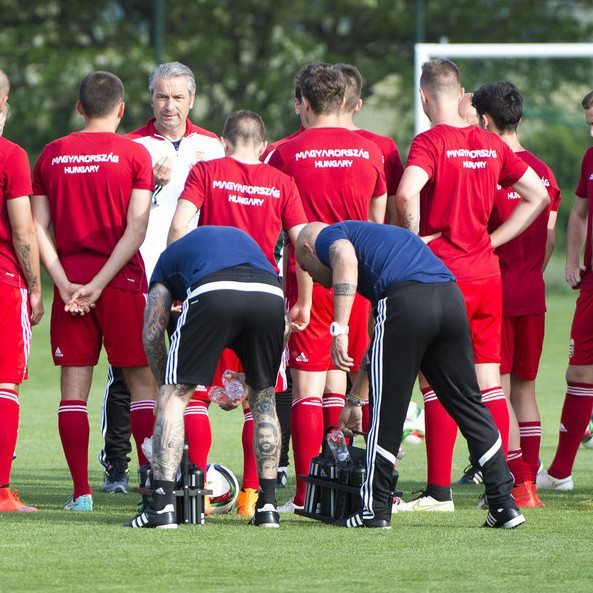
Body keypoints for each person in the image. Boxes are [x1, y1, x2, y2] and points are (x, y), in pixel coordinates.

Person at [295, 221, 524, 529]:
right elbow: (379, 343)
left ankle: (374, 510)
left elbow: (344, 258)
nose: (311, 277)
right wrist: (354, 399)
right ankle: (504, 505)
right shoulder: (381, 248)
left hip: (407, 302)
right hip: (450, 299)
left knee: (386, 413)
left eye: (305, 267)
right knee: (469, 406)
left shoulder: (327, 237)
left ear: (309, 250)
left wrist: (339, 329)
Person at [395, 59, 549, 512]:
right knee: (489, 383)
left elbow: (406, 193)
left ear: (425, 97)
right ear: (459, 91)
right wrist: (492, 239)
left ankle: (439, 491)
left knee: (436, 382)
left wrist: (413, 242)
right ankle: (500, 489)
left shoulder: (429, 141)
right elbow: (537, 196)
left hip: (443, 275)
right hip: (486, 275)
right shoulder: (488, 142)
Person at [167, 109, 307, 516]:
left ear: (225, 144)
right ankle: (252, 497)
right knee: (259, 399)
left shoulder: (206, 171)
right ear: (263, 147)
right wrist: (304, 300)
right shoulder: (282, 182)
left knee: (192, 393)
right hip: (264, 296)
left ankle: (195, 490)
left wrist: (179, 285)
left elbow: (178, 227)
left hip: (213, 291)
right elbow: (301, 245)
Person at [31, 71, 157, 511]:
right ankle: (151, 488)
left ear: (79, 107)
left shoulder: (52, 154)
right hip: (119, 280)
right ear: (121, 109)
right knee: (142, 384)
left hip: (70, 285)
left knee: (73, 390)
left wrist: (63, 281)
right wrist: (101, 283)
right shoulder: (134, 154)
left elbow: (36, 228)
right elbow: (137, 228)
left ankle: (81, 493)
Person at [99, 62, 225, 494]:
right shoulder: (130, 145)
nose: (168, 106)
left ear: (191, 99)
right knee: (130, 374)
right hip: (141, 273)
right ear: (149, 99)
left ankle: (182, 466)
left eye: (176, 97)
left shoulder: (212, 146)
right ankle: (119, 464)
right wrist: (149, 186)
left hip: (195, 280)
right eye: (160, 97)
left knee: (188, 374)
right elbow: (115, 214)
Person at [267, 62, 387, 513]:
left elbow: (286, 229)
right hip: (360, 282)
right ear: (343, 101)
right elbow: (377, 225)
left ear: (303, 103)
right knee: (356, 385)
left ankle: (305, 493)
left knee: (307, 389)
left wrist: (296, 293)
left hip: (310, 280)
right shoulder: (371, 151)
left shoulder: (285, 153)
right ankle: (365, 486)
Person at [126, 226, 286, 528]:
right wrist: (251, 375)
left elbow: (151, 333)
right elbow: (284, 326)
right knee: (264, 402)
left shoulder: (166, 260)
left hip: (213, 289)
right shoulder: (247, 244)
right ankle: (267, 508)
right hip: (271, 296)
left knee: (175, 397)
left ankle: (161, 508)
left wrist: (165, 385)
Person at [464, 82, 561, 507]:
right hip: (532, 293)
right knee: (526, 389)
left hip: (496, 291)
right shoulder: (543, 171)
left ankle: (511, 484)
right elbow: (550, 237)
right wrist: (532, 274)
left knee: (497, 391)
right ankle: (529, 484)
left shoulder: (489, 168)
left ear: (485, 120)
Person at [538, 90, 593, 491]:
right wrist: (572, 261)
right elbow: (578, 212)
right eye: (589, 122)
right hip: (591, 286)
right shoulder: (590, 159)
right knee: (578, 371)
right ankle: (559, 473)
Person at [0, 69, 43, 513]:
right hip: (2, 280)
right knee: (4, 385)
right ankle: (1, 494)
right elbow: (23, 230)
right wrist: (35, 288)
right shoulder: (10, 155)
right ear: (3, 104)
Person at [335, 63, 404, 225]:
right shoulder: (384, 146)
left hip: (318, 244)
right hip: (370, 245)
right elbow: (396, 209)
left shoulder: (306, 147)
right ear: (358, 105)